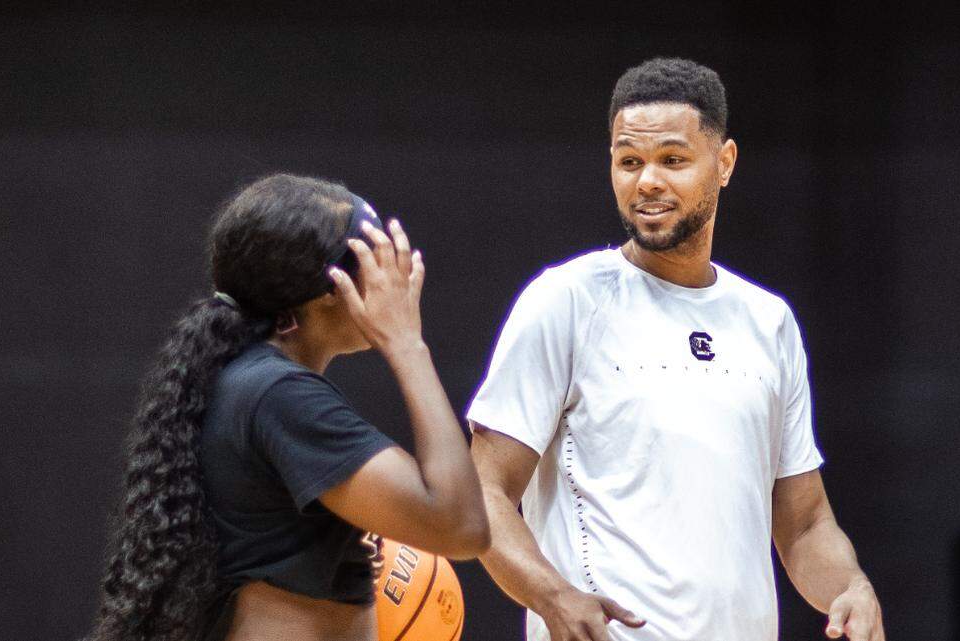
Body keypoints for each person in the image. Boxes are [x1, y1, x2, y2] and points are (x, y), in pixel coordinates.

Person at [468, 58, 885, 641]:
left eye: (672, 160)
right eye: (629, 161)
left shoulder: (768, 322)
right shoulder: (566, 300)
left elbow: (806, 524)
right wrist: (554, 596)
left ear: (724, 163)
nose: (647, 182)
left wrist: (851, 588)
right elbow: (482, 492)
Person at [84, 174, 489, 641]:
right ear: (330, 290)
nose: (393, 279)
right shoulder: (280, 397)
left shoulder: (238, 380)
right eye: (375, 261)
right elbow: (460, 525)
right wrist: (406, 343)